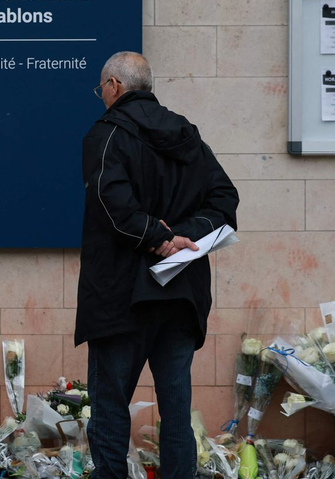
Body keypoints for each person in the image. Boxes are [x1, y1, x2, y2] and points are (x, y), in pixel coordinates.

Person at [76, 51, 238, 479]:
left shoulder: (106, 135)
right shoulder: (188, 136)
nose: (102, 96)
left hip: (121, 299)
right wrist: (186, 235)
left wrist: (163, 238)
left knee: (110, 409)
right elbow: (225, 199)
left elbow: (113, 207)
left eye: (101, 89)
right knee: (176, 413)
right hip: (180, 297)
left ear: (114, 86)